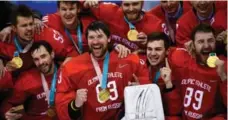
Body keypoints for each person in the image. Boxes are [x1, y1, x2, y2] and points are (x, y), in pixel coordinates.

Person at [55, 21, 150, 120]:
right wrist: (75, 104)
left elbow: (148, 91)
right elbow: (62, 106)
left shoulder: (128, 60)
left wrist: (140, 90)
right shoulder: (72, 68)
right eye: (91, 37)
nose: (95, 41)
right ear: (87, 40)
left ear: (109, 38)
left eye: (100, 36)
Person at [165, 24, 227, 119]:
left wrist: (223, 77)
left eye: (210, 41)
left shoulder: (224, 65)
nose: (206, 46)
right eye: (200, 42)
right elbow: (168, 52)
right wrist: (185, 47)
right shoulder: (184, 60)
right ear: (193, 44)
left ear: (215, 42)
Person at [83, 0, 162, 58]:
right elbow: (80, 8)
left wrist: (146, 45)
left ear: (142, 3)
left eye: (135, 4)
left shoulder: (155, 24)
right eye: (126, 5)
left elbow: (162, 51)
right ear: (121, 4)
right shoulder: (109, 12)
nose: (131, 9)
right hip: (108, 61)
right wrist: (86, 4)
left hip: (138, 65)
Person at [4, 40, 59, 120]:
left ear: (52, 54)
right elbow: (8, 102)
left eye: (43, 56)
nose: (41, 62)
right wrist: (6, 112)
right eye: (36, 59)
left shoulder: (65, 72)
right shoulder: (27, 79)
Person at [145, 32, 181, 119]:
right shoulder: (140, 66)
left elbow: (175, 111)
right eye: (150, 49)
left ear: (167, 51)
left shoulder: (175, 71)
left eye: (158, 49)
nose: (153, 53)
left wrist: (169, 85)